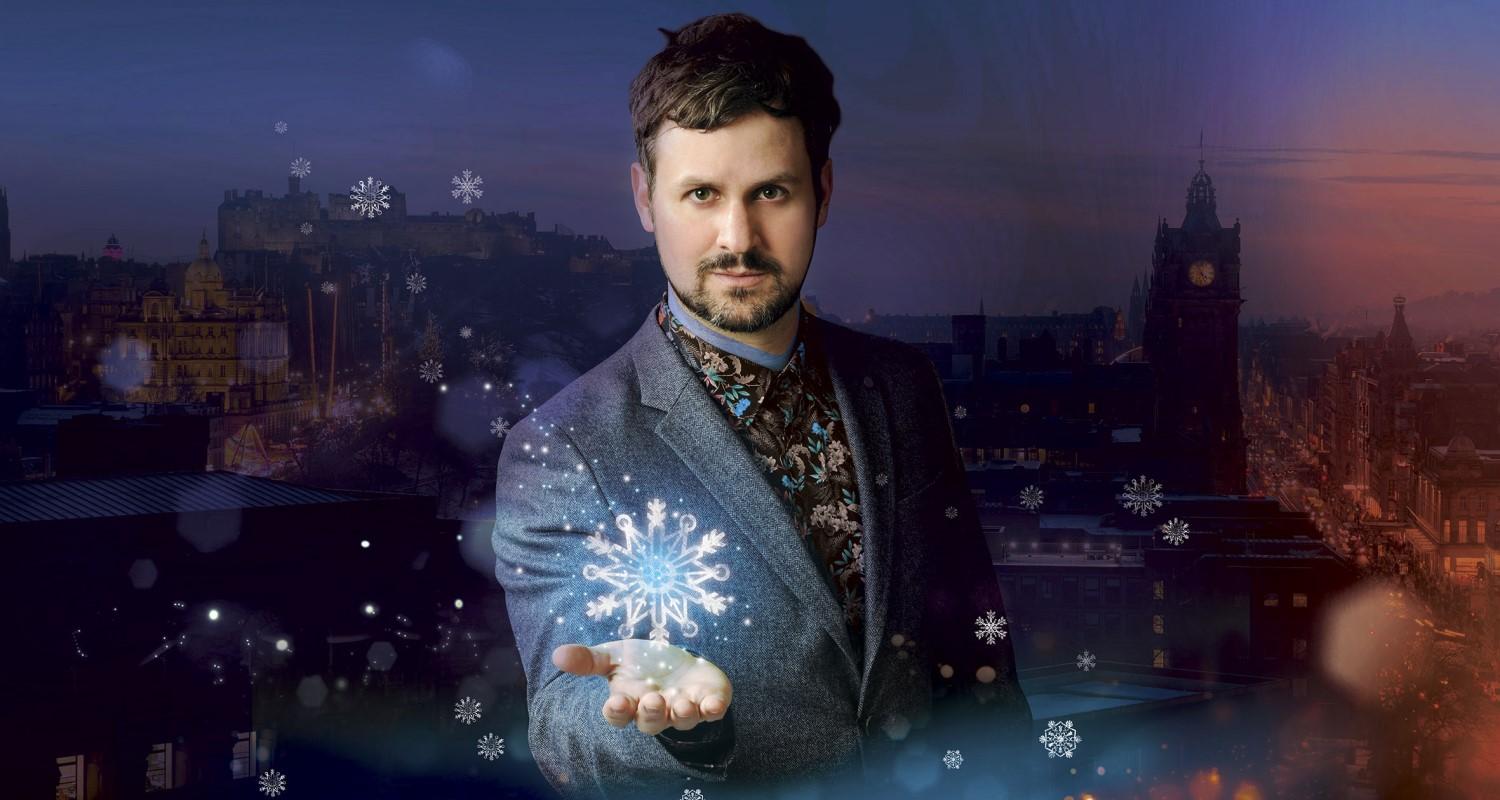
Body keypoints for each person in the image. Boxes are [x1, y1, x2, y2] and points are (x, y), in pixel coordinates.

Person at [492, 12, 1031, 799]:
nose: (736, 237)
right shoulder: (565, 442)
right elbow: (564, 724)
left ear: (824, 191)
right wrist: (680, 723)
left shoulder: (903, 384)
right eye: (701, 193)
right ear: (645, 197)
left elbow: (978, 653)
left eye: (771, 191)